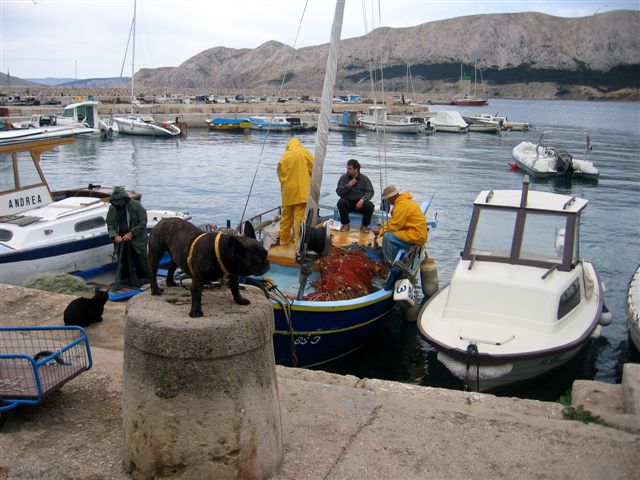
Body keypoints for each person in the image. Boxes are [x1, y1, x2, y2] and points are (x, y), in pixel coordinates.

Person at [106, 186, 150, 287]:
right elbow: (110, 224)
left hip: (137, 240)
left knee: (140, 262)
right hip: (121, 240)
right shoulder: (112, 209)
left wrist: (132, 233)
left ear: (125, 199)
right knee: (123, 262)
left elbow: (143, 221)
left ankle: (145, 281)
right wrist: (114, 235)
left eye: (120, 201)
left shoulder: (135, 206)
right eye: (116, 201)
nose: (118, 203)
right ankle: (125, 282)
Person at [371, 185, 428, 263]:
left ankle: (389, 262)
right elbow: (394, 221)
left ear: (391, 197)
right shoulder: (405, 201)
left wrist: (380, 231)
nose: (388, 202)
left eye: (387, 199)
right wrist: (382, 227)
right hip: (416, 232)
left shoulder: (401, 205)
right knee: (389, 233)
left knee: (388, 237)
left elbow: (395, 225)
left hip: (416, 236)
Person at [277, 137, 314, 246]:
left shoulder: (284, 157)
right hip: (301, 192)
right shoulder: (305, 153)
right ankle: (298, 243)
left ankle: (283, 241)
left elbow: (280, 175)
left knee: (286, 218)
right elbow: (313, 170)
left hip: (287, 193)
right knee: (299, 219)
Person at [335, 159, 375, 232]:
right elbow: (339, 192)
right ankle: (346, 224)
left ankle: (364, 226)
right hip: (347, 202)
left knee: (370, 206)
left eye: (350, 169)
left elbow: (370, 192)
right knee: (341, 203)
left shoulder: (364, 179)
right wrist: (349, 185)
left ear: (356, 169)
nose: (347, 170)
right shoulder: (344, 178)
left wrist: (362, 200)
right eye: (347, 168)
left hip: (359, 203)